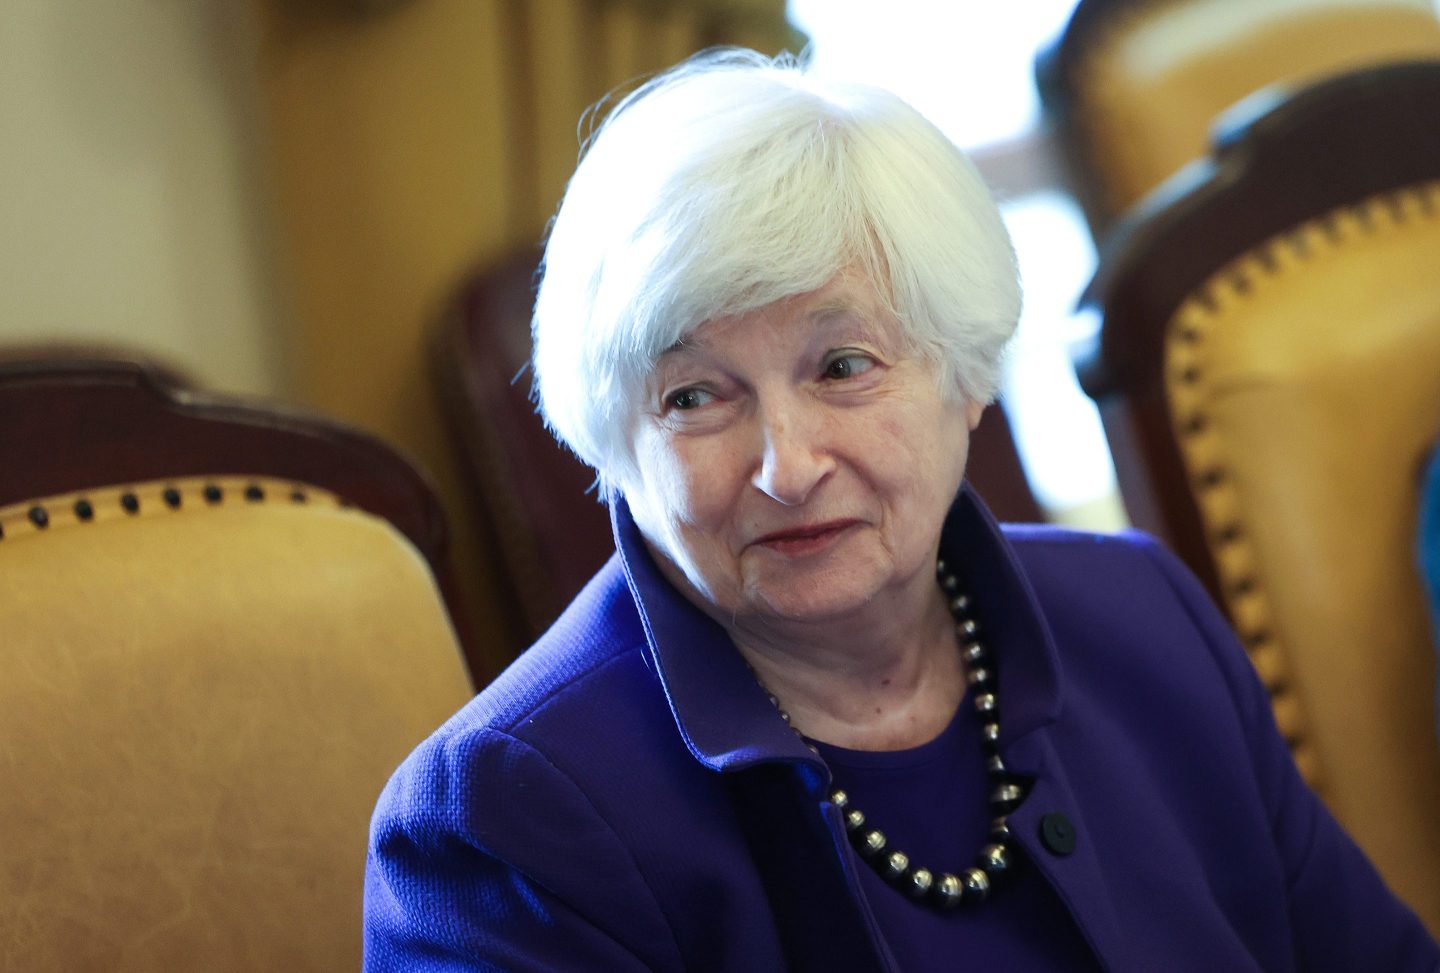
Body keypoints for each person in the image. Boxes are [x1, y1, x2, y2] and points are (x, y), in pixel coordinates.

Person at [363, 49, 1439, 971]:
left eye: (842, 365)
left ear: (966, 375)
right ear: (611, 435)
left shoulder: (1145, 616)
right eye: (695, 397)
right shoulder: (500, 821)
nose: (787, 466)